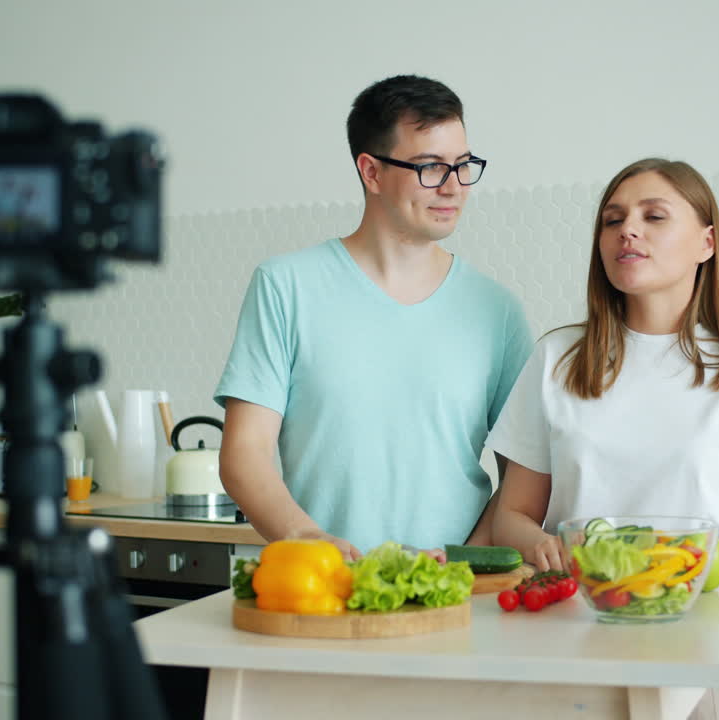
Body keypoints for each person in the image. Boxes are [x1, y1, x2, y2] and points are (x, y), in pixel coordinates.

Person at [215, 75, 533, 560]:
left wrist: (462, 562)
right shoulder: (285, 286)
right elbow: (244, 454)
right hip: (321, 593)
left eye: (463, 165)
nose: (453, 187)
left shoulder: (498, 311)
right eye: (430, 167)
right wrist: (307, 541)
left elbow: (524, 482)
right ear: (371, 172)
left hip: (457, 601)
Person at [487, 158, 719, 579]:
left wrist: (705, 557)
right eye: (612, 220)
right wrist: (544, 545)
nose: (627, 230)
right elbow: (510, 517)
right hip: (582, 619)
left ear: (707, 243)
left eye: (654, 216)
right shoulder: (557, 358)